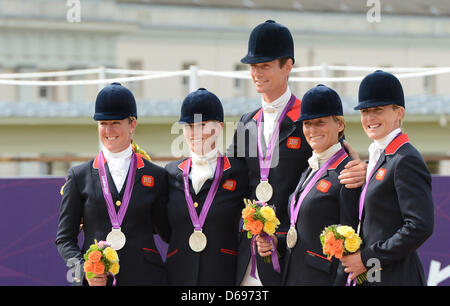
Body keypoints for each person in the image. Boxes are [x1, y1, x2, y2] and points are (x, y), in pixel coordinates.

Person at [228, 20, 365, 286]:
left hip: (290, 255)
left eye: (265, 65)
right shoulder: (246, 122)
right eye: (253, 67)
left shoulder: (309, 118)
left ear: (287, 66)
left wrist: (364, 167)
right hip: (252, 253)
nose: (257, 73)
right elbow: (234, 178)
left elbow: (341, 158)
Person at [56, 82, 169, 286]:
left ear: (132, 124)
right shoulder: (79, 175)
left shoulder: (157, 176)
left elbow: (168, 231)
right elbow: (64, 239)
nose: (108, 130)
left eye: (116, 122)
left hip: (146, 278)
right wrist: (84, 271)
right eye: (102, 123)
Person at [257, 84, 360, 285]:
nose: (312, 130)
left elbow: (352, 244)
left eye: (320, 123)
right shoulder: (309, 169)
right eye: (307, 123)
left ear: (340, 124)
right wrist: (276, 241)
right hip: (295, 275)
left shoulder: (348, 173)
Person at [340, 70, 434, 286]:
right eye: (365, 111)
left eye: (378, 110)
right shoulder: (380, 156)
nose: (369, 118)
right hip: (375, 276)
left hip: (397, 277)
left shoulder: (406, 158)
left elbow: (419, 226)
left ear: (398, 112)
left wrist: (366, 259)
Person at [160, 88, 250, 285]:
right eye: (189, 126)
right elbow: (162, 226)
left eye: (201, 125)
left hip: (222, 274)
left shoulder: (239, 171)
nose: (194, 133)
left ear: (218, 127)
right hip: (179, 274)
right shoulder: (169, 173)